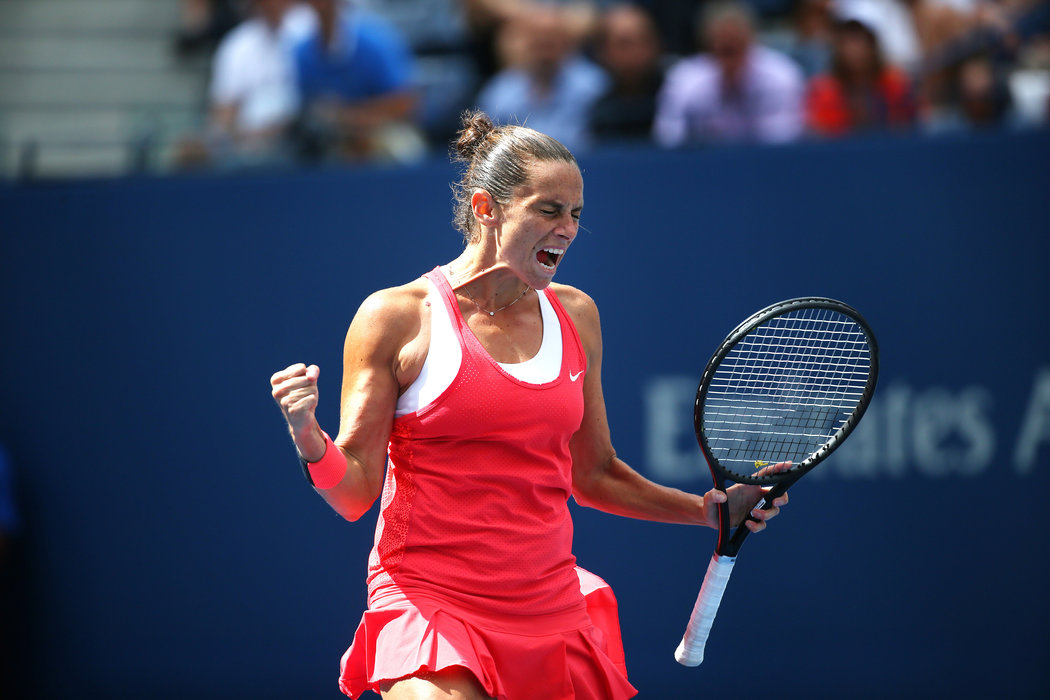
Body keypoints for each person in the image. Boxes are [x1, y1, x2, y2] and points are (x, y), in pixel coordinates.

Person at [270, 110, 789, 700]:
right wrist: (309, 438)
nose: (567, 229)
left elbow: (593, 474)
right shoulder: (396, 317)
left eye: (576, 214)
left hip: (548, 605)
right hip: (428, 598)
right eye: (548, 210)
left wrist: (707, 512)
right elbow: (354, 493)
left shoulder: (578, 315)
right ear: (487, 209)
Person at [652, 1, 806, 146]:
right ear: (706, 44)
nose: (727, 44)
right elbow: (668, 139)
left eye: (735, 44)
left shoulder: (781, 76)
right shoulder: (685, 81)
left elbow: (785, 142)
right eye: (722, 47)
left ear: (751, 39)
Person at [292, 0, 425, 163]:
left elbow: (406, 102)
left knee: (403, 149)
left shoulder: (377, 40)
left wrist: (349, 118)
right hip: (333, 139)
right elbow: (307, 107)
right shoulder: (302, 51)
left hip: (382, 130)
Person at [474, 7, 609, 152]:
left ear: (567, 41)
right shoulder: (500, 92)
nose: (545, 45)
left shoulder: (594, 85)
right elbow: (487, 147)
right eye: (538, 38)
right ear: (526, 42)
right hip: (522, 164)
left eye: (552, 38)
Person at [805, 18, 917, 136]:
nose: (855, 52)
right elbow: (825, 135)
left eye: (860, 44)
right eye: (848, 45)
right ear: (838, 51)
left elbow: (907, 129)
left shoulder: (895, 85)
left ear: (872, 48)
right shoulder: (824, 90)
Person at [589, 3, 668, 143]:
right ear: (603, 52)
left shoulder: (676, 97)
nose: (637, 51)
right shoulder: (593, 107)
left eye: (645, 41)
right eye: (624, 44)